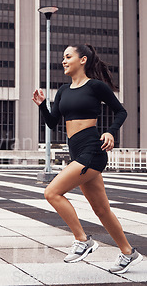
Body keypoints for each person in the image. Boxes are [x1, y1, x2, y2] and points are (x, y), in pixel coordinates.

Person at [32, 44, 142, 274]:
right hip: (76, 150)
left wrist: (111, 131)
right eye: (63, 57)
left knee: (52, 192)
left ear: (82, 60)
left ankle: (83, 240)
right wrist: (43, 105)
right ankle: (128, 253)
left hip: (92, 149)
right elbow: (53, 123)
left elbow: (121, 111)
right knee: (102, 210)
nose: (63, 60)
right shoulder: (63, 90)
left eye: (68, 56)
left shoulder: (95, 86)